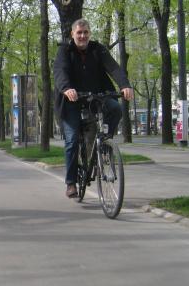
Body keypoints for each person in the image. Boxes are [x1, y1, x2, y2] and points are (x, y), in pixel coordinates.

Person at [53, 18, 134, 199]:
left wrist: (124, 85)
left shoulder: (98, 49)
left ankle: (105, 143)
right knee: (72, 141)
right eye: (79, 33)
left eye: (86, 32)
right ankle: (71, 183)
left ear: (90, 34)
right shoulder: (64, 51)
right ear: (72, 34)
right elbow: (60, 71)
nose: (82, 36)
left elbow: (113, 67)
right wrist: (66, 88)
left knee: (115, 109)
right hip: (70, 102)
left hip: (96, 96)